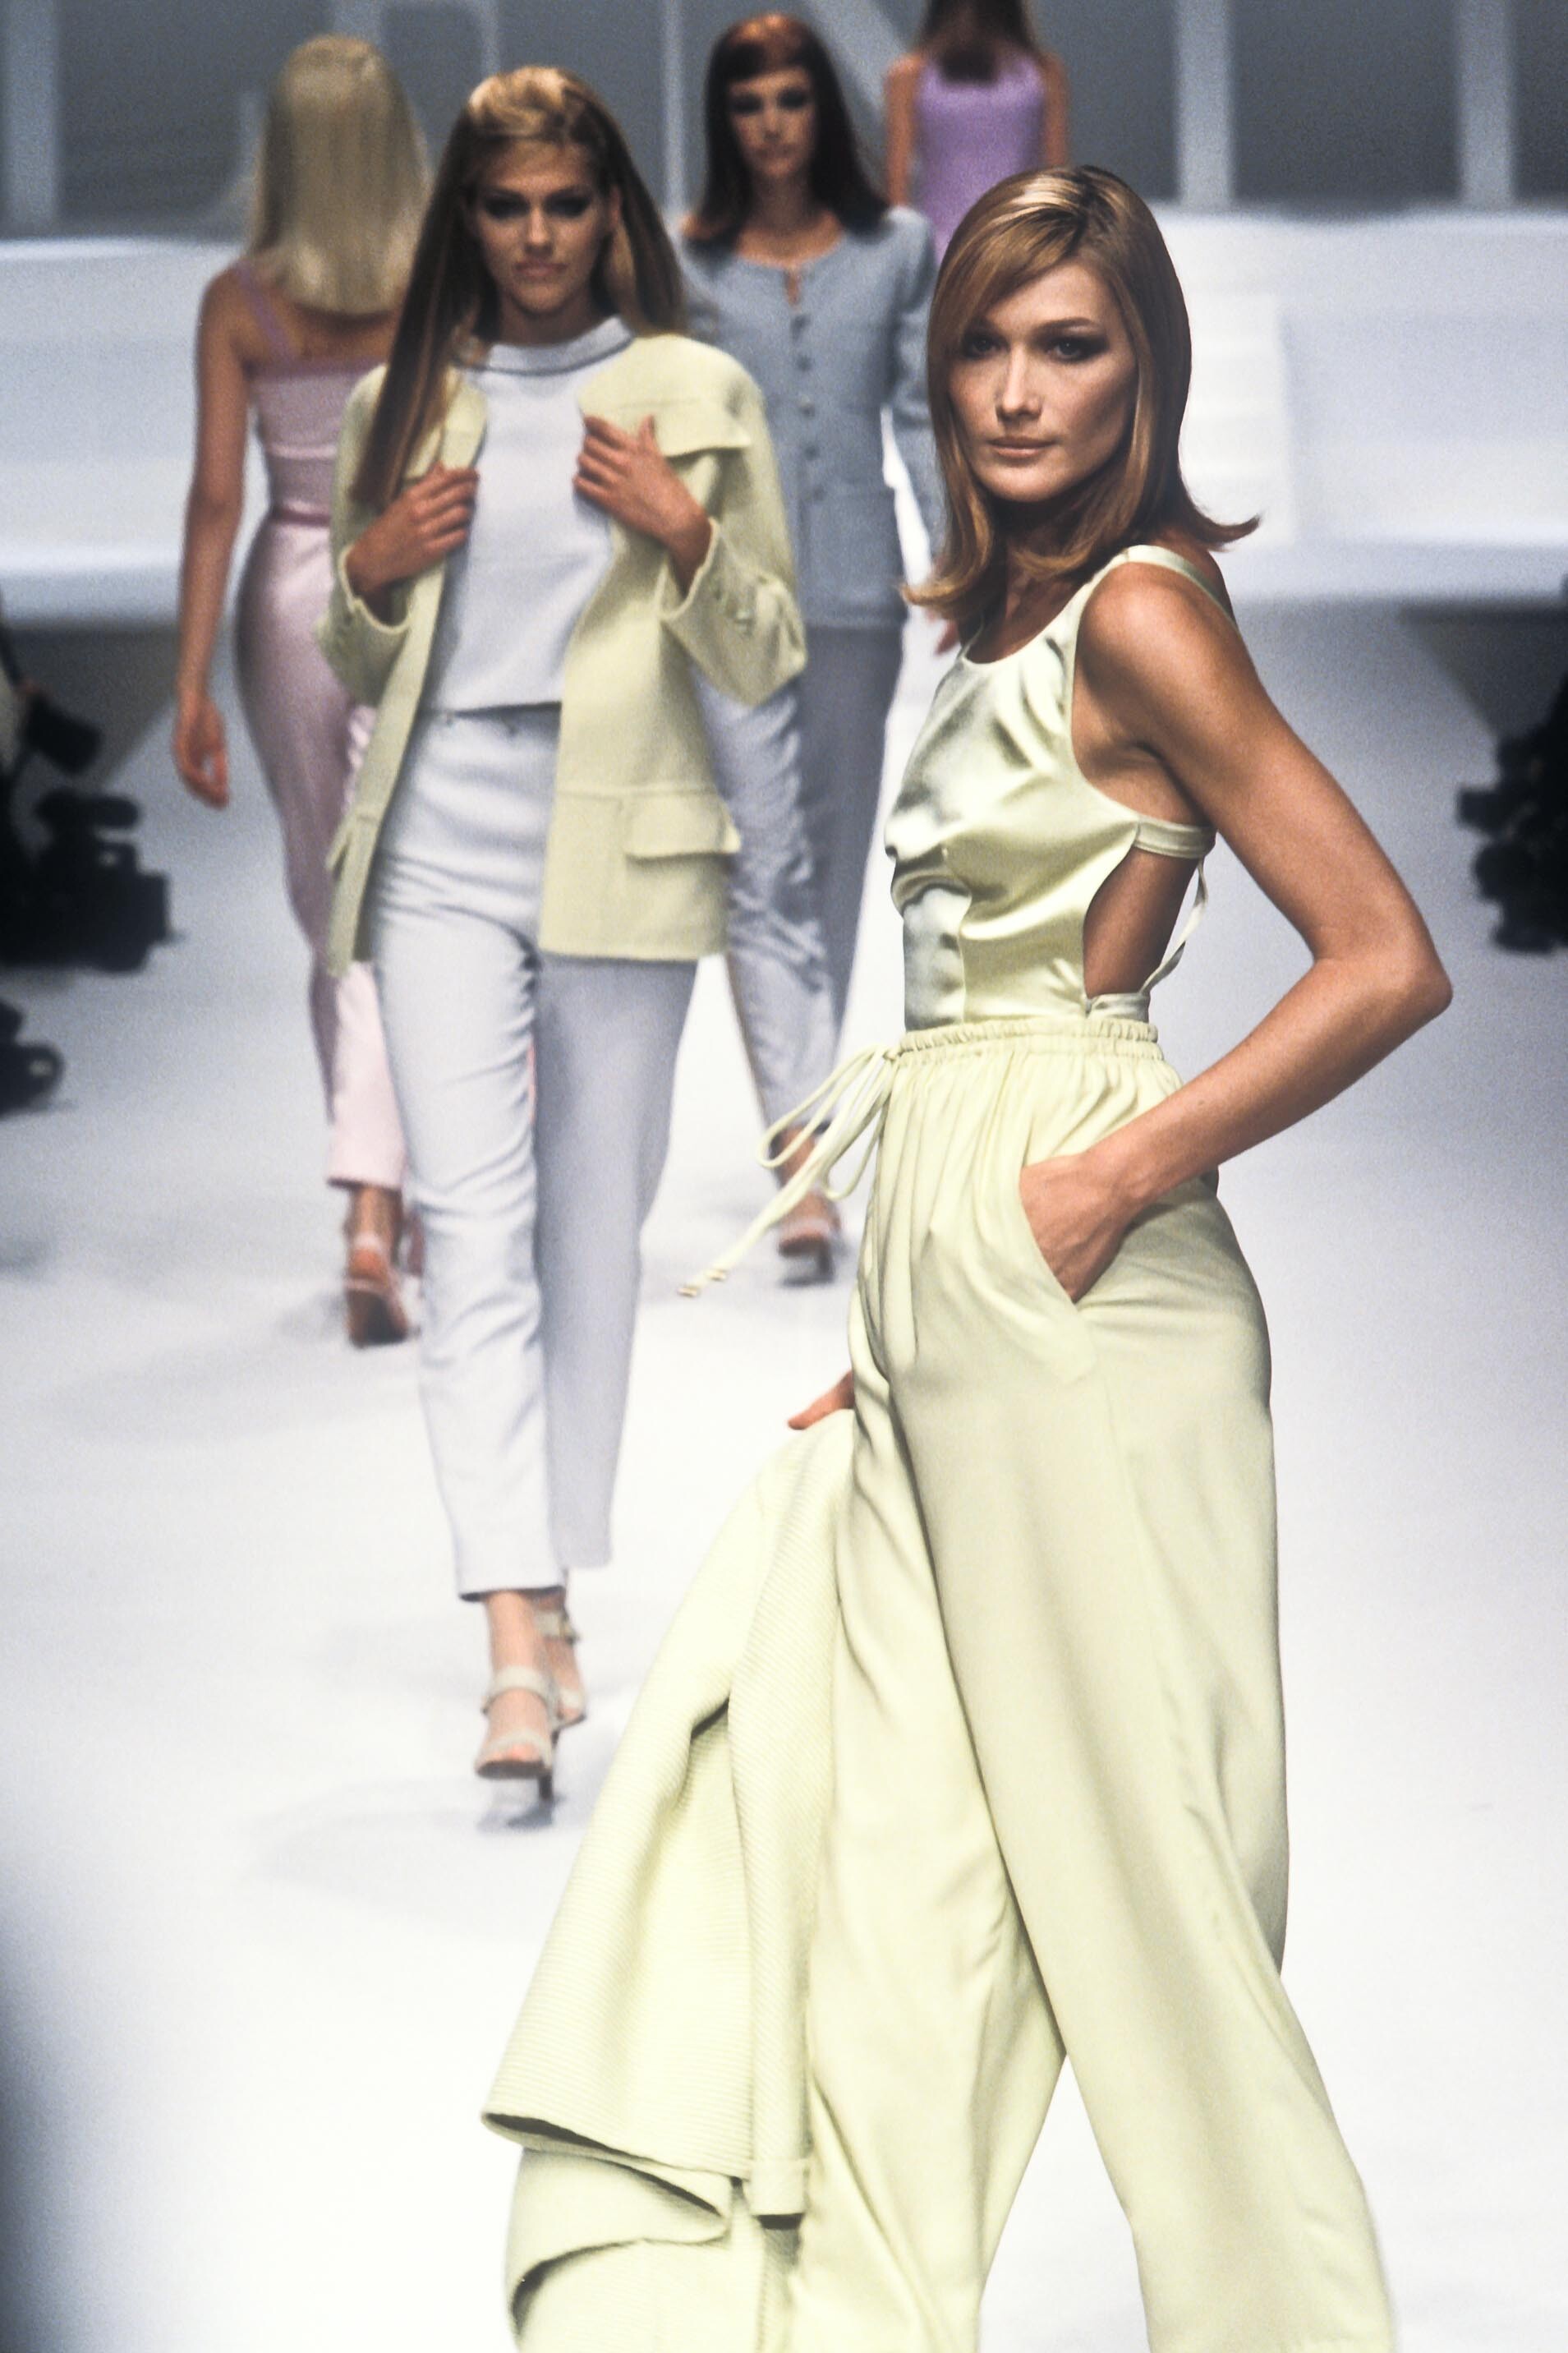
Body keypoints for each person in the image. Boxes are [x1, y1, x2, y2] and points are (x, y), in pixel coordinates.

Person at [484, 167, 1451, 2349]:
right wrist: (913, 1323)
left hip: (1081, 1284)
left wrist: (1108, 1183)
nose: (1016, 390)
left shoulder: (1143, 615)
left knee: (1149, 1901)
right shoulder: (1002, 612)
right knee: (898, 1866)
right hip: (959, 1288)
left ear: (1143, 372)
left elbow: (1382, 954)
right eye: (985, 345)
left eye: (1068, 345)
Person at [316, 67, 803, 1786]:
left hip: (626, 826)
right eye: (503, 206)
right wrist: (371, 571)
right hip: (441, 829)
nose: (534, 236)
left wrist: (683, 533)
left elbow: (764, 645)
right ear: (464, 217)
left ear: (611, 214)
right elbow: (357, 652)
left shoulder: (696, 390)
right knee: (468, 1226)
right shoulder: (401, 399)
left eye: (564, 205)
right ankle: (513, 1632)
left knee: (590, 1238)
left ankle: (554, 1580)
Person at [682, 14, 949, 1270]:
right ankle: (801, 1159)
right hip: (727, 595)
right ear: (724, 122)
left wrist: (956, 557)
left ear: (821, 111)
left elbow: (920, 412)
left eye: (791, 99)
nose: (772, 124)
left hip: (854, 590)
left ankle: (807, 1113)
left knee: (832, 866)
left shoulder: (897, 250)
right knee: (760, 862)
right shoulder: (686, 264)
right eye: (749, 105)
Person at [173, 35, 426, 1343]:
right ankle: (386, 1201)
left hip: (285, 595)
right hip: (409, 590)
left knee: (334, 911)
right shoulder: (436, 291)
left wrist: (189, 686)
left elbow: (218, 501)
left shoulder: (239, 303)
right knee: (396, 899)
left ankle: (371, 1205)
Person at [887, 0, 1069, 256]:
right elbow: (1057, 182)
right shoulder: (1043, 73)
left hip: (962, 256)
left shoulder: (909, 76)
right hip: (1017, 254)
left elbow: (897, 193)